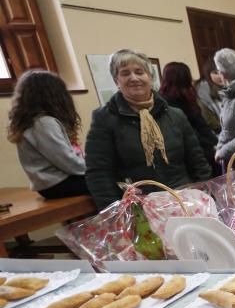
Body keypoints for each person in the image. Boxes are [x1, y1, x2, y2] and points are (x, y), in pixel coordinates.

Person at [85, 49, 212, 209]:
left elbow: (197, 160)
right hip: (139, 207)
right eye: (125, 73)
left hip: (183, 200)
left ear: (150, 77)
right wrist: (116, 212)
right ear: (116, 80)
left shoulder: (175, 115)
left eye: (139, 72)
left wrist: (204, 194)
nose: (133, 78)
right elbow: (98, 173)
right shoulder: (105, 119)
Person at [6, 70, 88, 199]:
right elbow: (66, 160)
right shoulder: (44, 123)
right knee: (111, 182)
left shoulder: (34, 121)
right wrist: (95, 169)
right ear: (54, 95)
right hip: (57, 183)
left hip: (51, 183)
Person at [159, 61, 219, 174]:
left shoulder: (161, 101)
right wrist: (215, 143)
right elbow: (201, 127)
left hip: (177, 156)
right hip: (198, 152)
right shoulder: (186, 99)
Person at [195, 58, 224, 132]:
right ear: (208, 74)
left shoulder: (230, 86)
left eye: (222, 72)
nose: (220, 76)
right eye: (215, 73)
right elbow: (210, 121)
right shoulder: (203, 91)